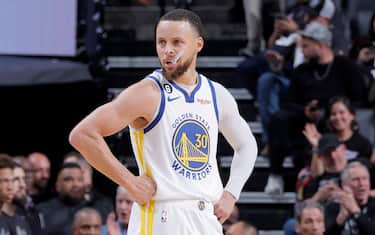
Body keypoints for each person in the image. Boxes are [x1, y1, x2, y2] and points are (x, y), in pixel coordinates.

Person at [69, 9, 257, 235]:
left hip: (205, 217)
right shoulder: (146, 93)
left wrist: (231, 193)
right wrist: (130, 183)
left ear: (198, 44)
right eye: (161, 42)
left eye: (177, 42)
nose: (168, 50)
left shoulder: (216, 94)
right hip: (161, 216)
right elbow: (83, 135)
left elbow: (247, 145)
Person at [264, 21, 367, 195]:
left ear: (320, 45)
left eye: (306, 46)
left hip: (334, 121)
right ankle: (275, 174)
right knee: (279, 118)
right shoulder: (302, 70)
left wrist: (330, 110)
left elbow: (358, 99)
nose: (302, 50)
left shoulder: (346, 67)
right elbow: (289, 102)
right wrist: (305, 111)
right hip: (305, 121)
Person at [303, 96, 374, 177]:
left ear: (352, 115)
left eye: (342, 112)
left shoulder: (363, 144)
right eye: (333, 114)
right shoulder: (324, 140)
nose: (337, 117)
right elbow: (316, 175)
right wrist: (316, 146)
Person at [325, 161, 375, 234]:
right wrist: (340, 220)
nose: (361, 184)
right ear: (344, 185)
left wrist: (356, 212)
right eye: (355, 179)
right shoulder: (333, 207)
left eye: (364, 179)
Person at [38, 162, 86, 235]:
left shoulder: (96, 207)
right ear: (57, 186)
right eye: (68, 180)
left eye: (79, 179)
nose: (75, 184)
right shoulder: (41, 211)